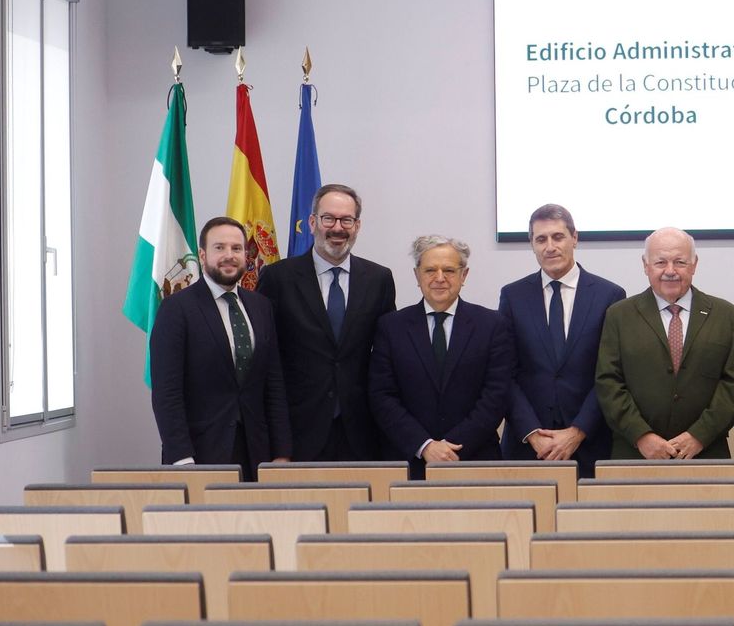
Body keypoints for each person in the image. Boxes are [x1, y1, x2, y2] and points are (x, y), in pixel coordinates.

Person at [255, 183, 397, 461]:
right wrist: (277, 443)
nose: (337, 228)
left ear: (357, 226)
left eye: (347, 220)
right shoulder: (277, 278)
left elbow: (386, 357)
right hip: (297, 432)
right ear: (312, 222)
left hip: (362, 432)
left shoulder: (379, 279)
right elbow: (266, 361)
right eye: (328, 218)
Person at [150, 216, 291, 480]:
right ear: (202, 255)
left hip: (256, 453)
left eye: (236, 248)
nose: (229, 255)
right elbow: (167, 392)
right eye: (220, 248)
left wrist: (281, 451)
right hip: (198, 455)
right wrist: (181, 458)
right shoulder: (176, 309)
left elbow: (274, 384)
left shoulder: (261, 307)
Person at [595, 227, 734, 460]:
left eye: (680, 262)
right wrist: (641, 436)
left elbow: (733, 385)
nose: (670, 271)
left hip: (706, 454)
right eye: (660, 262)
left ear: (694, 264)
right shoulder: (619, 315)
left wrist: (699, 435)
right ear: (645, 265)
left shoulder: (725, 315)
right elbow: (608, 382)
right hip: (635, 454)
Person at [497, 203, 627, 477]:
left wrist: (578, 431)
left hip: (590, 445)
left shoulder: (609, 295)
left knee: (590, 522)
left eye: (558, 237)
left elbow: (611, 374)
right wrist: (532, 433)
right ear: (531, 244)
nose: (550, 247)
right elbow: (504, 374)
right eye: (540, 239)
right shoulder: (513, 296)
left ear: (575, 238)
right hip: (528, 447)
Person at [368, 235, 514, 474]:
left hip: (475, 460)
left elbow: (495, 396)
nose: (439, 278)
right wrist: (424, 446)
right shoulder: (391, 327)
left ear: (464, 275)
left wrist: (450, 449)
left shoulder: (492, 325)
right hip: (409, 463)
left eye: (449, 270)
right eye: (429, 270)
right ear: (417, 275)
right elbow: (382, 396)